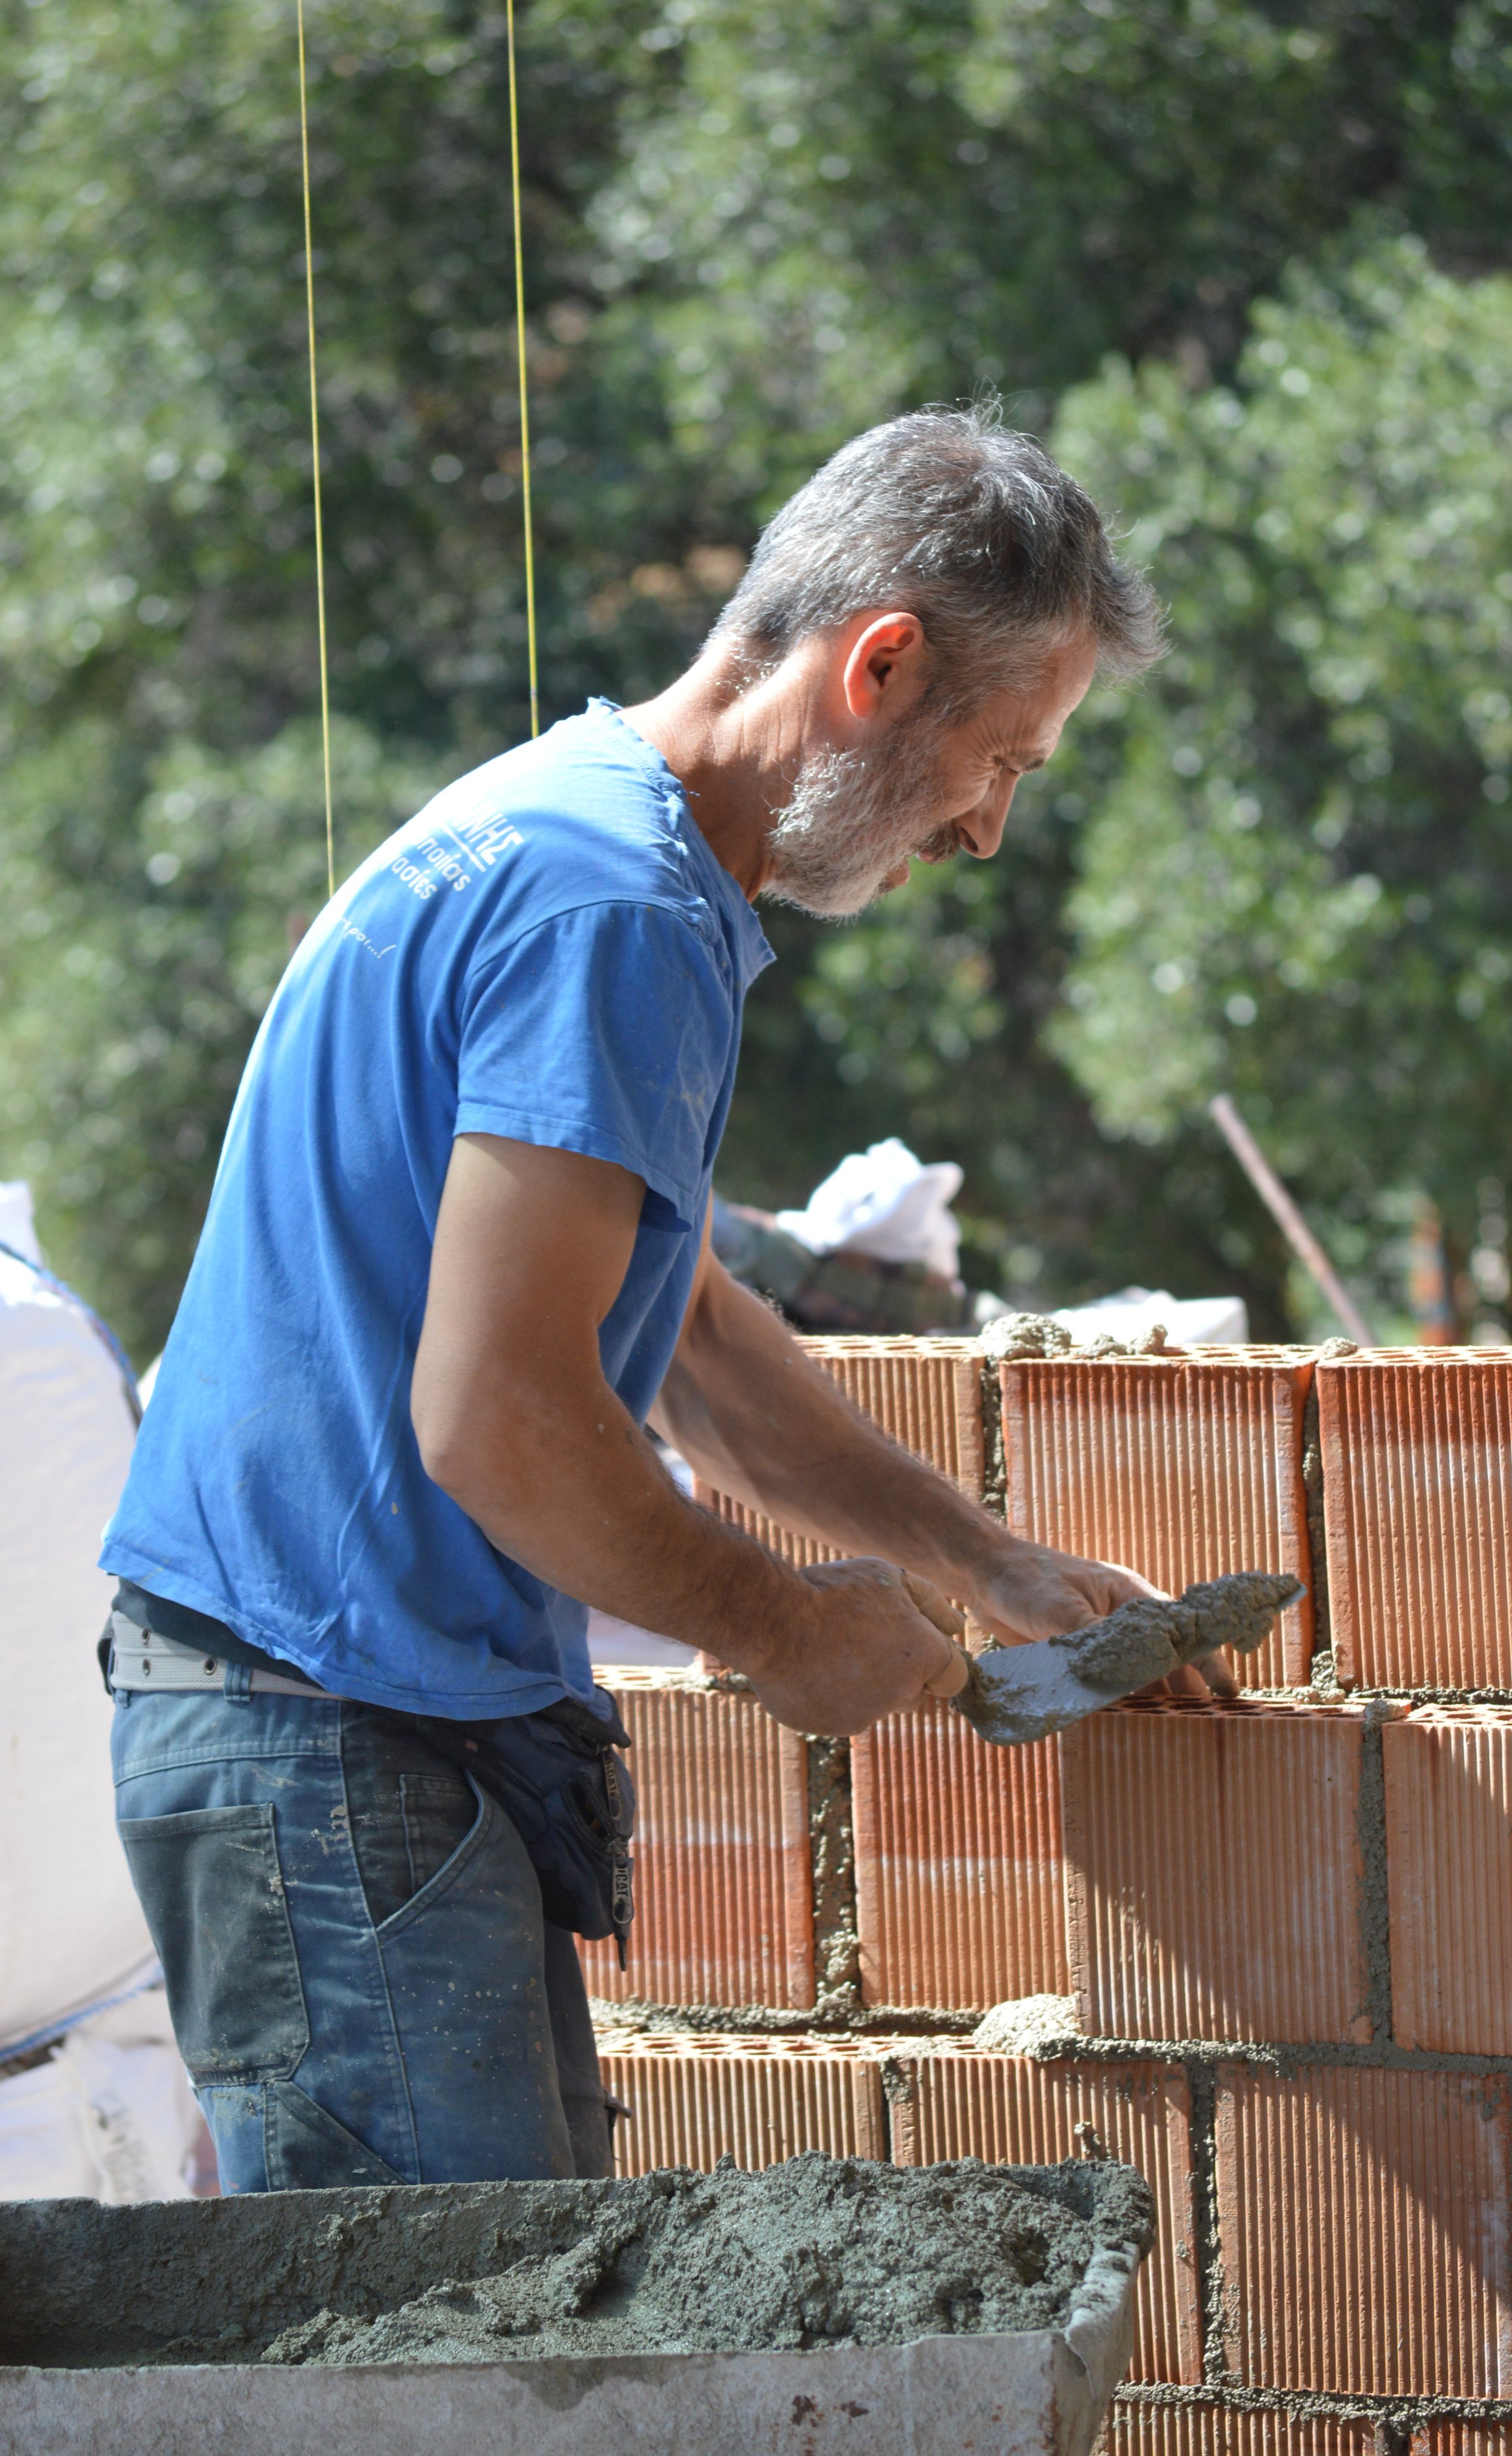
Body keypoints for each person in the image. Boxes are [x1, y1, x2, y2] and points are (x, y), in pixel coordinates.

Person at [99, 405, 1206, 2195]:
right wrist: (782, 1627)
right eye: (1003, 759)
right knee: (454, 2375)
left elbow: (679, 1330)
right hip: (323, 1730)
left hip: (350, 1728)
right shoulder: (610, 905)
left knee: (508, 2334)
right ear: (881, 665)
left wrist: (974, 1561)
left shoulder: (599, 844)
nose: (986, 828)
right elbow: (499, 1419)